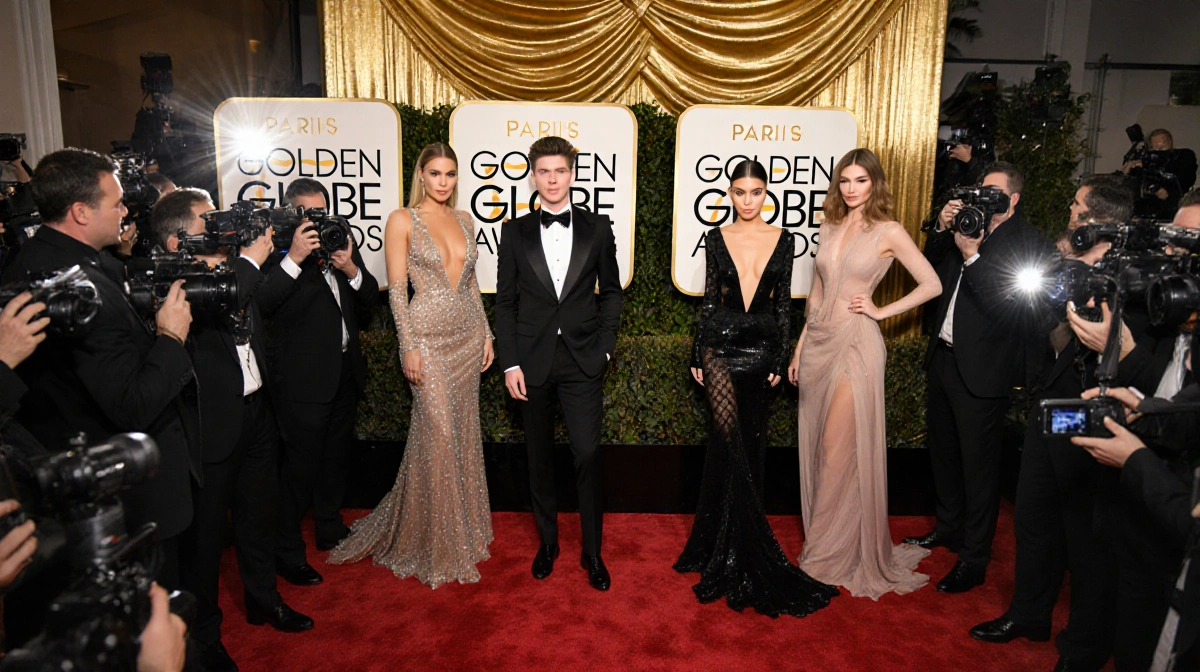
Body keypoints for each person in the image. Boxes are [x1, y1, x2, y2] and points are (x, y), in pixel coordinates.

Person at [2, 149, 199, 592]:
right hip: (123, 495)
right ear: (79, 212)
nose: (126, 211)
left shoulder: (42, 260)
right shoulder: (71, 288)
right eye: (116, 203)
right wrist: (170, 338)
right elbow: (132, 405)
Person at [970, 174, 1136, 671]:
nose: (1069, 207)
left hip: (1094, 413)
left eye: (1077, 204)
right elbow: (1040, 331)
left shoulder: (1127, 274)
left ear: (1096, 218)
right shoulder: (1066, 265)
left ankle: (1083, 648)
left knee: (1083, 533)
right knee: (1033, 515)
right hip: (1053, 407)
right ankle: (1028, 613)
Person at [149, 189, 312, 672]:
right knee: (203, 543)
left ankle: (264, 600)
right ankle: (204, 636)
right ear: (179, 239)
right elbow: (225, 299)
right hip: (210, 425)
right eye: (209, 221)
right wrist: (247, 259)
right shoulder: (172, 279)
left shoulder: (230, 267)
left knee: (258, 516)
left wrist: (264, 259)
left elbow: (261, 299)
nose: (221, 227)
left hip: (257, 411)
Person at [675, 157, 839, 618]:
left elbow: (784, 305)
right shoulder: (715, 237)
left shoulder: (784, 240)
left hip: (760, 345)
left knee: (749, 441)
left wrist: (782, 354)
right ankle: (718, 545)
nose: (747, 201)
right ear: (729, 194)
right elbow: (710, 302)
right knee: (727, 441)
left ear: (766, 194)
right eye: (739, 192)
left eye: (755, 193)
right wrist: (696, 354)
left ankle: (737, 543)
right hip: (720, 346)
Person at [329, 143, 495, 587]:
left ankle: (462, 528)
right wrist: (408, 347)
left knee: (460, 433)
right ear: (421, 175)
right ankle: (434, 541)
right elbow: (398, 291)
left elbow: (473, 284)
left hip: (465, 338)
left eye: (451, 174)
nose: (443, 182)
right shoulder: (402, 219)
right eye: (436, 173)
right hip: (427, 340)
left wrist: (487, 334)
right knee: (439, 433)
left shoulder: (465, 220)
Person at [788, 148, 942, 599]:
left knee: (838, 450)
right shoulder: (829, 224)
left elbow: (931, 284)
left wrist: (879, 311)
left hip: (857, 344)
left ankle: (825, 555)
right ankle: (832, 541)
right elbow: (815, 294)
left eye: (861, 181)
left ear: (875, 184)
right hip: (818, 344)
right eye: (845, 181)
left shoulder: (888, 231)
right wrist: (799, 350)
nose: (852, 189)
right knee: (820, 450)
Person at [907, 162, 1054, 593]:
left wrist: (972, 255)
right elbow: (927, 265)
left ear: (1014, 199)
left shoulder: (1028, 244)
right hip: (945, 360)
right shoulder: (966, 226)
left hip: (985, 371)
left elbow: (1012, 310)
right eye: (980, 192)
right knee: (945, 455)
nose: (984, 200)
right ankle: (948, 528)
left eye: (993, 194)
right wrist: (941, 226)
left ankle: (975, 557)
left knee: (980, 471)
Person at [495, 136, 622, 591]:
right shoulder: (514, 231)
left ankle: (593, 552)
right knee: (539, 456)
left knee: (587, 453)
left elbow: (612, 291)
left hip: (584, 359)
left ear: (572, 174)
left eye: (560, 171)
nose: (552, 179)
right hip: (530, 363)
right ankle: (548, 542)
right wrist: (509, 364)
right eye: (544, 171)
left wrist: (605, 346)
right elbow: (505, 302)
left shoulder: (597, 227)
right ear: (533, 175)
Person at [257, 177, 378, 587]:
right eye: (308, 214)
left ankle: (329, 527)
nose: (317, 220)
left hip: (343, 373)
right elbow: (264, 302)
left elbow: (370, 301)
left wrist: (351, 268)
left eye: (321, 211)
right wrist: (295, 256)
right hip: (303, 382)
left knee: (334, 460)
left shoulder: (338, 238)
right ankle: (287, 551)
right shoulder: (274, 252)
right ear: (291, 215)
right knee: (298, 471)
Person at [1122, 128, 1197, 219]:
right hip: (1142, 210)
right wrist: (1128, 169)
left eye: (1161, 147)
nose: (1157, 151)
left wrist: (1165, 190)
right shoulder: (1145, 160)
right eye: (1154, 148)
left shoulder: (1182, 157)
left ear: (1170, 144)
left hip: (1169, 211)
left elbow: (1185, 179)